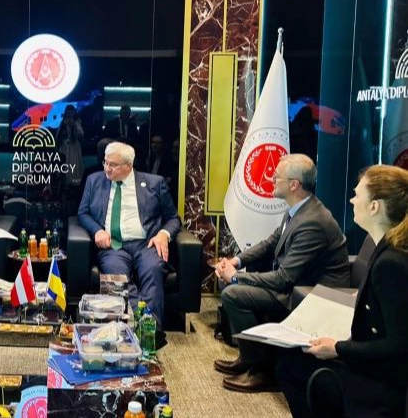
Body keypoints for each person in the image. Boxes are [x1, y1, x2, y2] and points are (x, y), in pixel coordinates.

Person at [276, 165, 408, 417]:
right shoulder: (387, 248)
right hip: (375, 366)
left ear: (374, 207)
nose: (351, 200)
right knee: (292, 358)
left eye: (357, 195)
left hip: (384, 384)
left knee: (292, 367)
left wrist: (337, 348)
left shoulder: (391, 263)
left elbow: (398, 347)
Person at [213, 154, 350, 392]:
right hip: (295, 285)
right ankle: (249, 357)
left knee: (233, 293)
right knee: (231, 285)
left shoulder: (313, 221)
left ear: (294, 185)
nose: (271, 179)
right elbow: (270, 243)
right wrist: (236, 260)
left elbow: (284, 278)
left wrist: (235, 276)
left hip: (311, 295)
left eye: (277, 177)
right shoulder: (298, 209)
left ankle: (263, 371)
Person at [78, 142, 181, 345]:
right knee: (117, 277)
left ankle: (151, 333)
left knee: (153, 269)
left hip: (146, 244)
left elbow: (174, 218)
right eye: (105, 163)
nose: (107, 168)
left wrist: (163, 234)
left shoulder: (154, 183)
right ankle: (142, 324)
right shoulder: (94, 180)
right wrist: (97, 230)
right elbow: (83, 213)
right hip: (113, 246)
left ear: (128, 165)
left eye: (113, 165)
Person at [56, 104, 84, 185]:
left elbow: (80, 135)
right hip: (65, 147)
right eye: (68, 112)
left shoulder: (77, 122)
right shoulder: (63, 122)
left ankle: (74, 182)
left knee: (74, 164)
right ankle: (65, 182)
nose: (70, 113)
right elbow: (58, 136)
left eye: (71, 112)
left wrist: (73, 127)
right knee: (65, 164)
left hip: (74, 147)